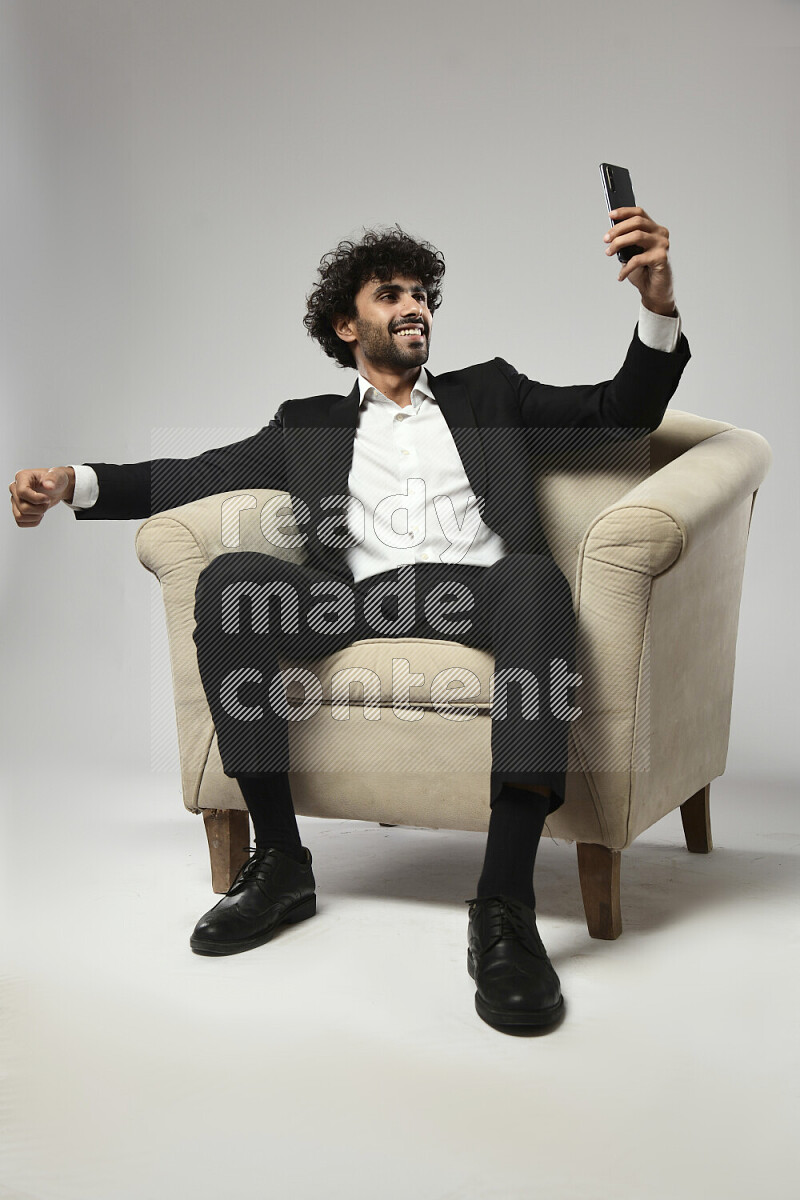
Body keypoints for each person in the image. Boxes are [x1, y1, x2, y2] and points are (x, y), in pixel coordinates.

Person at [10, 209, 690, 1033]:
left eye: (423, 295)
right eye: (391, 294)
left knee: (537, 584)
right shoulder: (307, 425)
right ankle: (280, 862)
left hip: (481, 588)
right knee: (230, 581)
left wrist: (657, 305)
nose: (416, 307)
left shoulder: (491, 391)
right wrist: (71, 481)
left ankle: (504, 905)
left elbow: (621, 414)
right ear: (346, 323)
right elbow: (191, 474)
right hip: (358, 602)